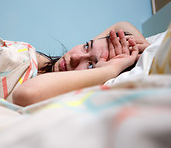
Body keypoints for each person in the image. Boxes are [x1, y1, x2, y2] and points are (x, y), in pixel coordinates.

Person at [12, 21, 150, 106]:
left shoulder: (49, 91)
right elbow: (122, 25)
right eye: (86, 46)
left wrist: (110, 70)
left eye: (90, 65)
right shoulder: (40, 62)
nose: (75, 57)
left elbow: (26, 93)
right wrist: (145, 47)